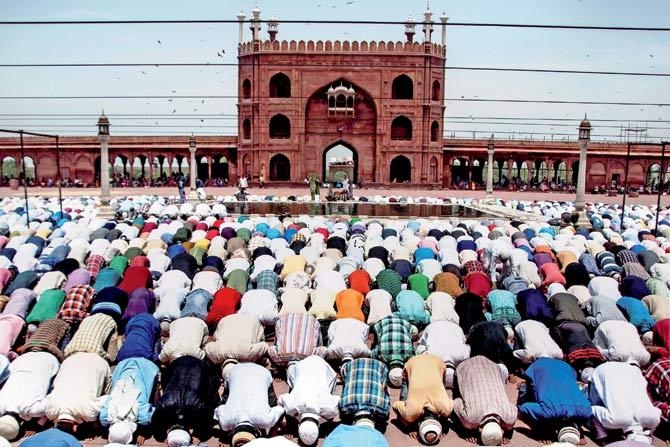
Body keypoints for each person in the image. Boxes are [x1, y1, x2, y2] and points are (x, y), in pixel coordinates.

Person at [518, 358, 593, 444]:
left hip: (565, 367)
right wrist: (540, 430)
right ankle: (523, 387)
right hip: (540, 366)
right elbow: (522, 410)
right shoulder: (548, 411)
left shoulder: (587, 411)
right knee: (529, 395)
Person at [153, 356, 221, 446]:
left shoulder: (199, 405)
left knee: (213, 402)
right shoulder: (163, 405)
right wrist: (165, 438)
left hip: (200, 368)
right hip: (176, 365)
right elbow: (156, 424)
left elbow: (209, 417)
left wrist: (199, 435)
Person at [588, 361, 661, 444]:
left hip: (631, 370)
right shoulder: (614, 420)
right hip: (603, 370)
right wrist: (602, 437)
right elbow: (592, 409)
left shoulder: (654, 419)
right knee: (594, 403)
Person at [214, 362, 284, 447]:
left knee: (272, 403)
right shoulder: (225, 421)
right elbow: (219, 409)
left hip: (259, 373)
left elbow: (281, 410)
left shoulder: (265, 420)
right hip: (236, 371)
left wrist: (271, 437)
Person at [453, 356, 518, 446]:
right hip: (465, 366)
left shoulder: (510, 417)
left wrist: (508, 430)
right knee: (459, 391)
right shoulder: (471, 420)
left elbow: (512, 408)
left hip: (493, 366)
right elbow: (456, 401)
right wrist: (467, 429)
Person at [392, 354, 453, 445]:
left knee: (440, 389)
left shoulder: (446, 409)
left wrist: (444, 427)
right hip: (415, 364)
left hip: (435, 362)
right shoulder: (411, 413)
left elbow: (451, 405)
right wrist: (409, 426)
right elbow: (395, 405)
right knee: (406, 415)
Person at [278, 355, 340, 446]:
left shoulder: (329, 407)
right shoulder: (292, 405)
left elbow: (280, 401)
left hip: (323, 366)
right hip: (303, 366)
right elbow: (281, 400)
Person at [0, 351, 60, 442]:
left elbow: (53, 402)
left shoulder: (34, 409)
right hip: (21, 359)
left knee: (54, 389)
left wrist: (38, 425)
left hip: (48, 360)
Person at [44, 352, 112, 432]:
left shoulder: (89, 414)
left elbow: (107, 398)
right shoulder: (49, 410)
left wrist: (96, 422)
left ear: (74, 428)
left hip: (97, 363)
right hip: (70, 360)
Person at [99, 357, 159, 445]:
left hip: (146, 367)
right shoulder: (105, 417)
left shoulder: (143, 416)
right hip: (124, 366)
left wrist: (143, 432)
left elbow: (155, 408)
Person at [416, 320, 470, 387]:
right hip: (457, 354)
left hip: (435, 355)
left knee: (420, 347)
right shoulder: (457, 327)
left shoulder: (430, 326)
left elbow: (421, 343)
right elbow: (465, 342)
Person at [339, 358, 391, 428]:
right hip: (354, 365)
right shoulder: (344, 407)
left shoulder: (382, 409)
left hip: (353, 365)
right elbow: (384, 386)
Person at [370, 315, 416, 387]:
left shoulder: (409, 355)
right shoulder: (381, 353)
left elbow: (371, 354)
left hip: (386, 322)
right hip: (383, 323)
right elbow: (372, 354)